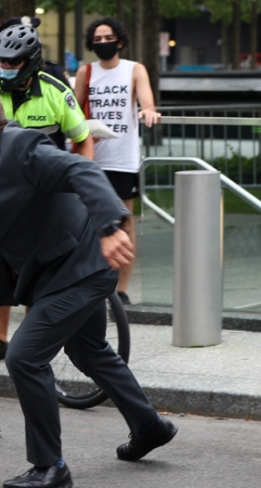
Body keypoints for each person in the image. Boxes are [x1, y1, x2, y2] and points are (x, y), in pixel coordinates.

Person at [0, 83, 176, 488]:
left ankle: (51, 467)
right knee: (89, 351)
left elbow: (81, 169)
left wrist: (111, 226)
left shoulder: (22, 148)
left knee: (25, 357)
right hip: (49, 269)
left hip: (82, 266)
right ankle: (149, 426)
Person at [0, 22, 94, 365]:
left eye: (12, 62)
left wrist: (78, 182)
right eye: (0, 61)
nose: (4, 68)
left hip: (43, 200)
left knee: (39, 270)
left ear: (31, 62)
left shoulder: (55, 92)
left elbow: (84, 138)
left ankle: (32, 338)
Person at [74, 17, 161, 306]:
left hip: (123, 160)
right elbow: (75, 112)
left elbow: (147, 102)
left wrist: (148, 111)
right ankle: (92, 283)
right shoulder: (86, 72)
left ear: (120, 41)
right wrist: (83, 132)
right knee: (87, 222)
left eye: (107, 37)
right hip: (92, 159)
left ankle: (120, 290)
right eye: (97, 39)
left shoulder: (134, 69)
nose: (102, 43)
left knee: (124, 222)